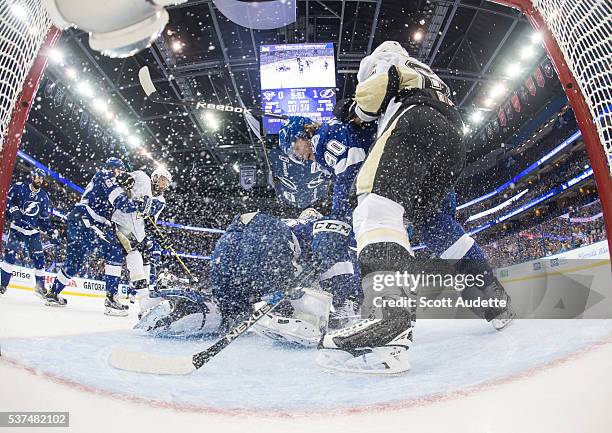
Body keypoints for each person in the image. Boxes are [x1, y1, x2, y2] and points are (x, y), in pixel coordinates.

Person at [316, 40, 516, 374]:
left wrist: (351, 110)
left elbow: (370, 101)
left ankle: (388, 319)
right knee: (437, 224)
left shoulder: (387, 64)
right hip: (451, 140)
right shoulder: (428, 74)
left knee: (374, 206)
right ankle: (494, 302)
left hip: (413, 124)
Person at [43, 158, 148, 309]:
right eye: (120, 170)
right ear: (113, 169)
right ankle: (111, 299)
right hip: (87, 220)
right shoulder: (107, 175)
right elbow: (122, 204)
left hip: (79, 220)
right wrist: (140, 204)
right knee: (115, 252)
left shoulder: (103, 176)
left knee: (74, 263)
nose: (122, 174)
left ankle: (53, 293)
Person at [0, 168, 56, 296]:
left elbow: (44, 218)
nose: (40, 180)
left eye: (42, 179)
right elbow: (8, 199)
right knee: (10, 256)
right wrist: (14, 210)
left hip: (32, 232)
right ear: (33, 177)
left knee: (39, 260)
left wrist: (51, 231)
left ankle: (40, 286)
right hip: (17, 229)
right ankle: (2, 285)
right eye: (38, 177)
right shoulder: (19, 187)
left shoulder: (43, 196)